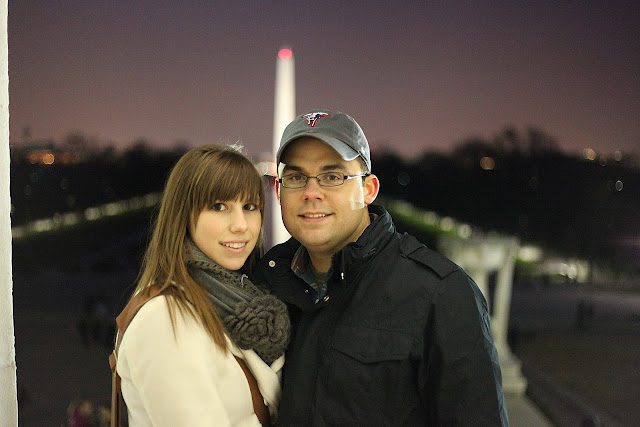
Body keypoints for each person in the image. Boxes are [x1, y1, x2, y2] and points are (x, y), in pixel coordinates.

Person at [254, 110, 508, 425]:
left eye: (332, 176)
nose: (311, 193)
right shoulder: (265, 280)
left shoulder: (440, 294)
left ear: (369, 190)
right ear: (279, 191)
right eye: (295, 178)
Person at [113, 145, 290, 426]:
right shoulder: (163, 319)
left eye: (249, 207)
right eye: (219, 207)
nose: (241, 225)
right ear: (183, 214)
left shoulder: (240, 297)